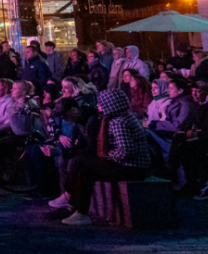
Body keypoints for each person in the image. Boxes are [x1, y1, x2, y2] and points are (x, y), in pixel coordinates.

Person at [53, 88, 151, 224]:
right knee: (85, 172)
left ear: (111, 104)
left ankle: (68, 196)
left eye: (101, 104)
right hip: (131, 166)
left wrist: (105, 154)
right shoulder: (123, 117)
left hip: (131, 168)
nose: (98, 107)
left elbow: (125, 151)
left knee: (80, 161)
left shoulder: (118, 122)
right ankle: (81, 212)